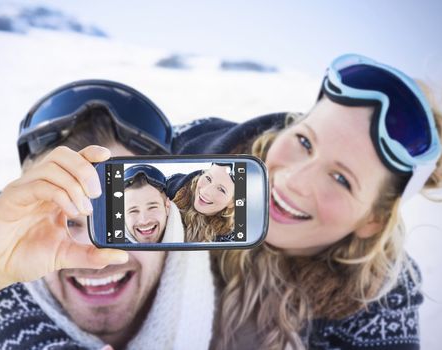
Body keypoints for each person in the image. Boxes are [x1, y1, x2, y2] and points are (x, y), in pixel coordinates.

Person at [172, 54, 442, 349]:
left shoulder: (381, 305)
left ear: (373, 220)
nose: (294, 182)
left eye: (341, 179)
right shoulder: (191, 156)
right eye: (304, 142)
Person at [0, 80, 215, 350]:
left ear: (167, 212)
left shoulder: (241, 314)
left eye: (121, 216)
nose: (97, 253)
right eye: (69, 220)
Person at [166, 163, 236, 242]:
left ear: (232, 203)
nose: (205, 191)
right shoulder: (170, 186)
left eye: (221, 189)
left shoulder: (233, 238)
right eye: (208, 178)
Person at [123, 165, 184, 243]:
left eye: (152, 207)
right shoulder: (113, 250)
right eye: (133, 211)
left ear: (167, 207)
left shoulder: (193, 241)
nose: (144, 221)